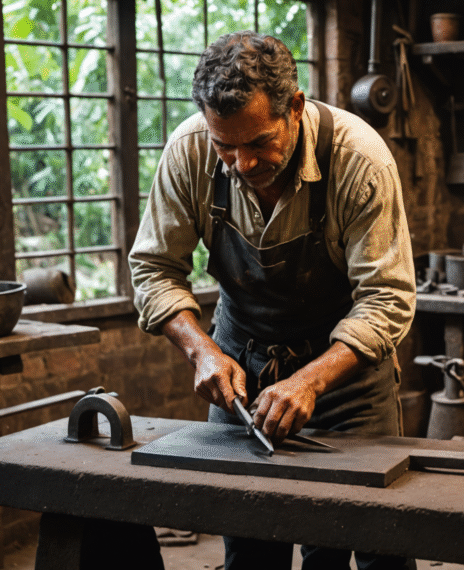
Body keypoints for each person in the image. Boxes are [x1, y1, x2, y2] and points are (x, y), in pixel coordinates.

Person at [129, 31, 416, 570]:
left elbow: (387, 299)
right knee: (250, 540)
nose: (241, 164)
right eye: (225, 146)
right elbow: (152, 268)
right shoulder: (190, 151)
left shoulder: (358, 158)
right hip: (243, 370)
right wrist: (203, 351)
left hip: (348, 378)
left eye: (259, 143)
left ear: (296, 108)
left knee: (375, 542)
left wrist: (310, 380)